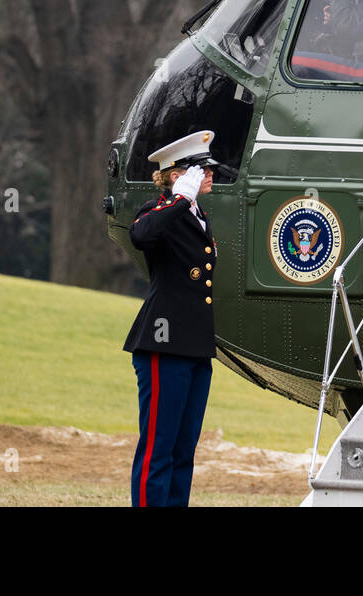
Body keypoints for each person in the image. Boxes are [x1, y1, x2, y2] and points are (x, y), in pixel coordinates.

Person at [125, 130, 223, 507]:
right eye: (201, 169)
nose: (209, 175)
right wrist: (180, 198)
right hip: (163, 344)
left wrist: (187, 202)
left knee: (184, 451)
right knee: (158, 448)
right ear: (175, 175)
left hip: (195, 346)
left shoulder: (197, 217)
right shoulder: (160, 210)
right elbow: (142, 235)